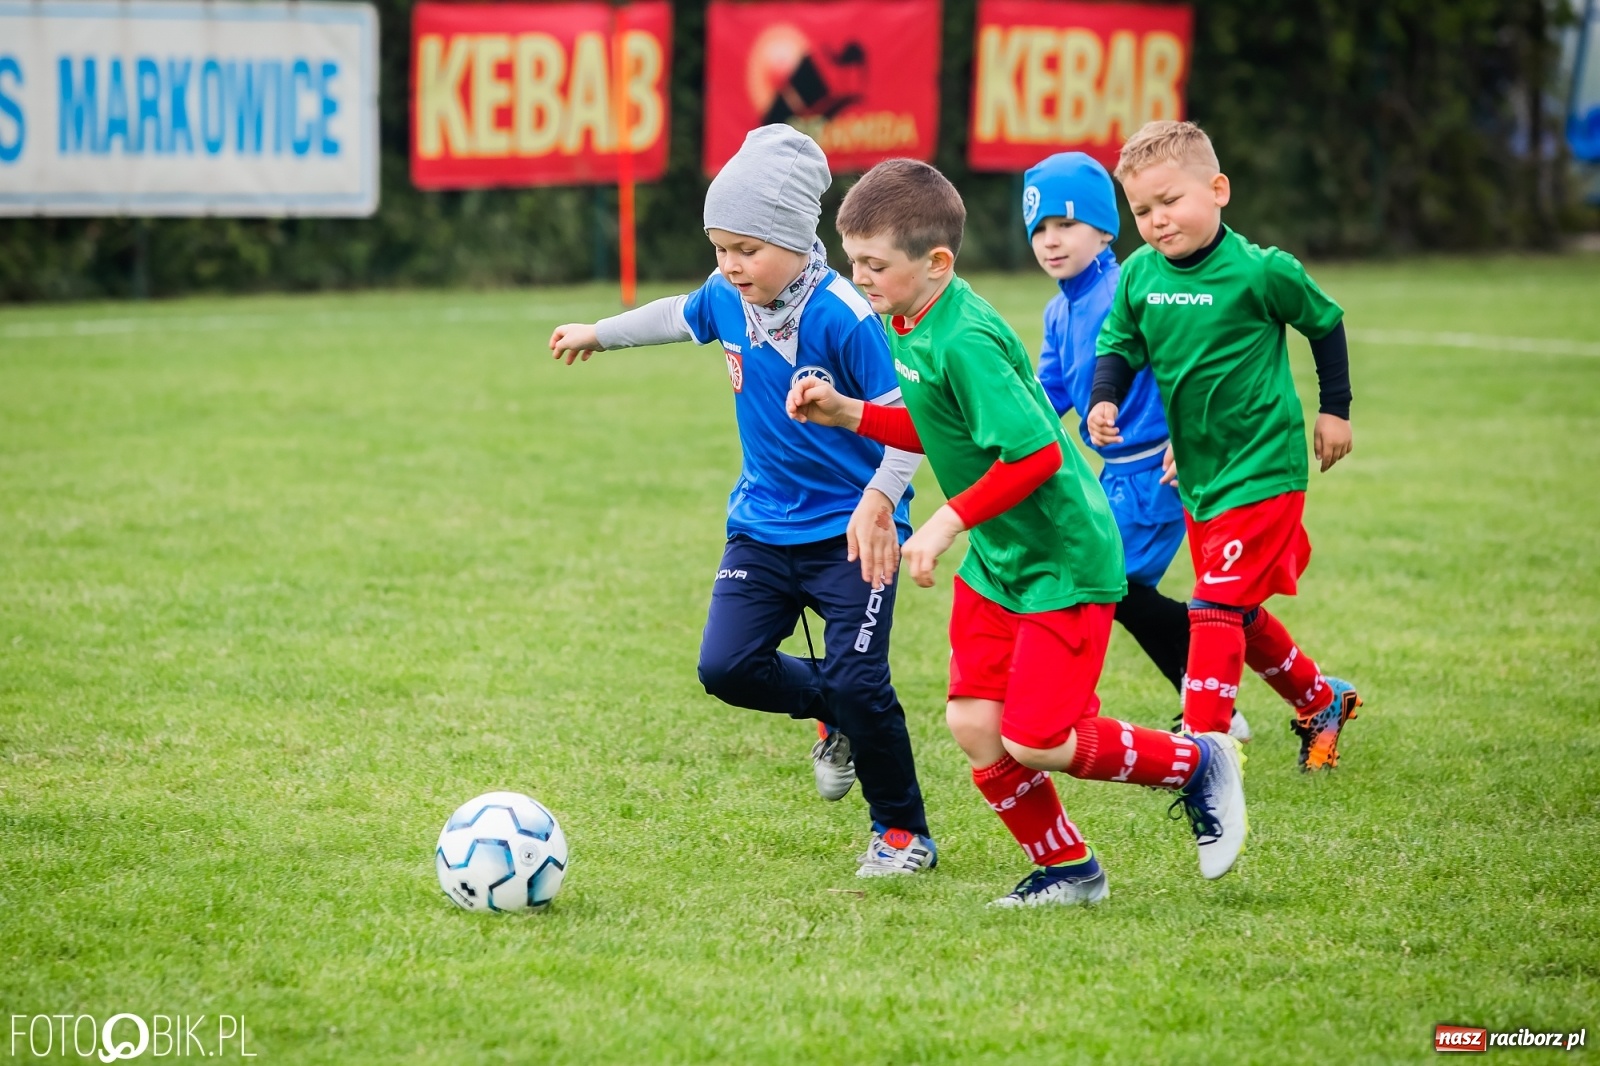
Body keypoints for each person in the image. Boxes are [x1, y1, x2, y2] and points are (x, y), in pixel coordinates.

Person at [788, 158, 1248, 907]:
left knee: (1038, 737)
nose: (858, 277)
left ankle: (1197, 764)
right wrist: (849, 413)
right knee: (975, 723)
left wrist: (944, 522)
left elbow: (1034, 457)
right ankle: (1070, 871)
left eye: (874, 264)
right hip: (1003, 560)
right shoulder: (907, 319)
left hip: (1063, 556)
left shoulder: (962, 337)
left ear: (936, 262)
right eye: (853, 260)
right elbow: (944, 429)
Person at [548, 125, 936, 875]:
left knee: (862, 683)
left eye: (746, 249)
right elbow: (676, 314)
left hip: (854, 530)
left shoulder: (844, 315)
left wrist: (881, 502)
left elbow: (910, 429)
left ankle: (901, 833)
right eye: (720, 249)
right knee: (726, 668)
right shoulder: (729, 297)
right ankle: (833, 709)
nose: (729, 266)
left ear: (795, 238)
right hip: (761, 524)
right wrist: (600, 332)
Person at [1089, 120, 1364, 772]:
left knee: (1212, 605)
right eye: (1142, 211)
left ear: (1218, 190)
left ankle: (1201, 754)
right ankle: (1321, 700)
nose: (1157, 220)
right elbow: (1119, 343)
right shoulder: (1139, 276)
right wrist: (1104, 397)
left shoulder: (1262, 272)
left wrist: (1335, 411)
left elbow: (1325, 323)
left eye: (1170, 201)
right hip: (1199, 474)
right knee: (1236, 606)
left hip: (1264, 467)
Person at [1024, 150, 1251, 742]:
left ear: (1105, 229)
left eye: (1066, 224)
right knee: (1130, 590)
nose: (1051, 241)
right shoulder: (1058, 310)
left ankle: (1202, 699)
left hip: (1161, 467)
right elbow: (1050, 391)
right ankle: (1219, 687)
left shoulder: (1130, 287)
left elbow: (1188, 362)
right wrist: (1005, 431)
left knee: (1111, 584)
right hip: (1116, 475)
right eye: (1039, 230)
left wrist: (1185, 432)